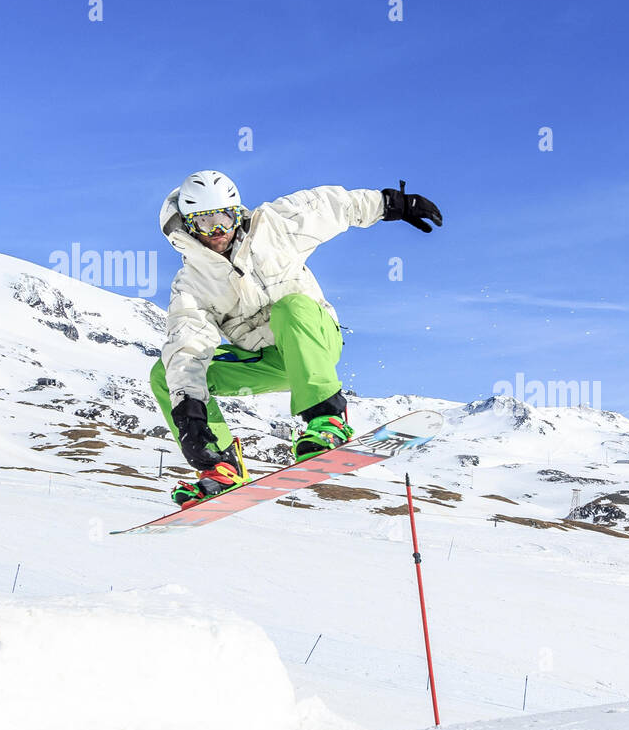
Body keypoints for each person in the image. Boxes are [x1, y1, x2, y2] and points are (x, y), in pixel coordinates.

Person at [148, 170, 442, 507]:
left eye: (224, 218)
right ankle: (222, 467)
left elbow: (334, 206)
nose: (217, 232)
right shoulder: (192, 283)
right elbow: (188, 345)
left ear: (237, 213)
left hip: (314, 339)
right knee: (166, 375)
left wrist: (395, 204)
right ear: (188, 225)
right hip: (268, 363)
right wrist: (190, 416)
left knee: (290, 307)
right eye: (205, 223)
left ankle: (327, 418)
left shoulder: (273, 226)